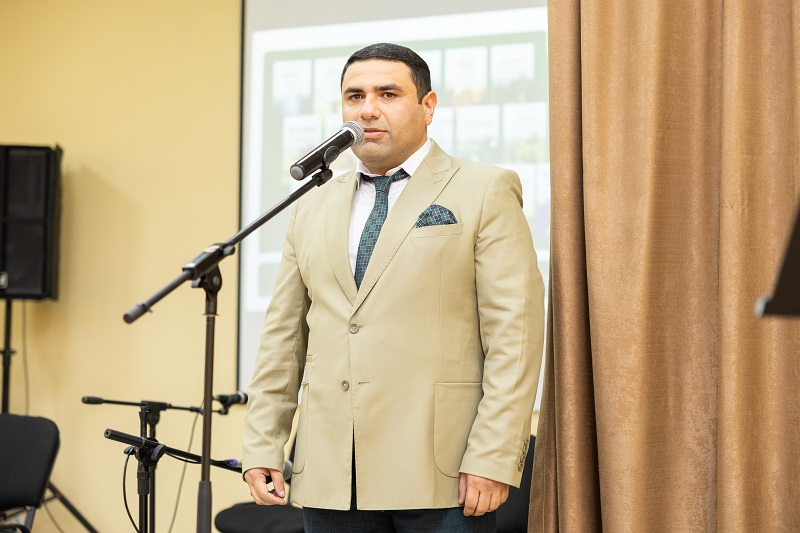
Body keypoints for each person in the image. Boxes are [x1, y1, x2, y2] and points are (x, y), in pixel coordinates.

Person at [243, 42, 544, 532]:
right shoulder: (311, 204)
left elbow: (516, 334)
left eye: (388, 94)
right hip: (331, 474)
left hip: (442, 474)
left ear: (428, 106)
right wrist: (263, 444)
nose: (368, 110)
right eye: (355, 96)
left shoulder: (484, 188)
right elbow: (283, 338)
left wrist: (494, 454)